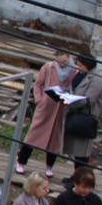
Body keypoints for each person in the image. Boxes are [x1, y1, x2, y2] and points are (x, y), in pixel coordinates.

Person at [15, 49, 76, 177]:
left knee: (55, 138)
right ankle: (21, 162)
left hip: (60, 107)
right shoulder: (49, 67)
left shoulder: (74, 70)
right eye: (60, 62)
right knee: (34, 134)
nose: (63, 64)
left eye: (65, 61)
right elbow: (38, 84)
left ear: (69, 57)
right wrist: (39, 100)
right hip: (46, 105)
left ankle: (49, 166)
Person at [62, 53, 102, 172]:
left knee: (81, 153)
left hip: (85, 118)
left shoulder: (96, 80)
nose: (77, 67)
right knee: (74, 150)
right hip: (73, 115)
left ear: (87, 66)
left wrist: (69, 101)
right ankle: (76, 176)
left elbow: (89, 100)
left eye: (80, 65)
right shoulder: (79, 75)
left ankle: (79, 177)